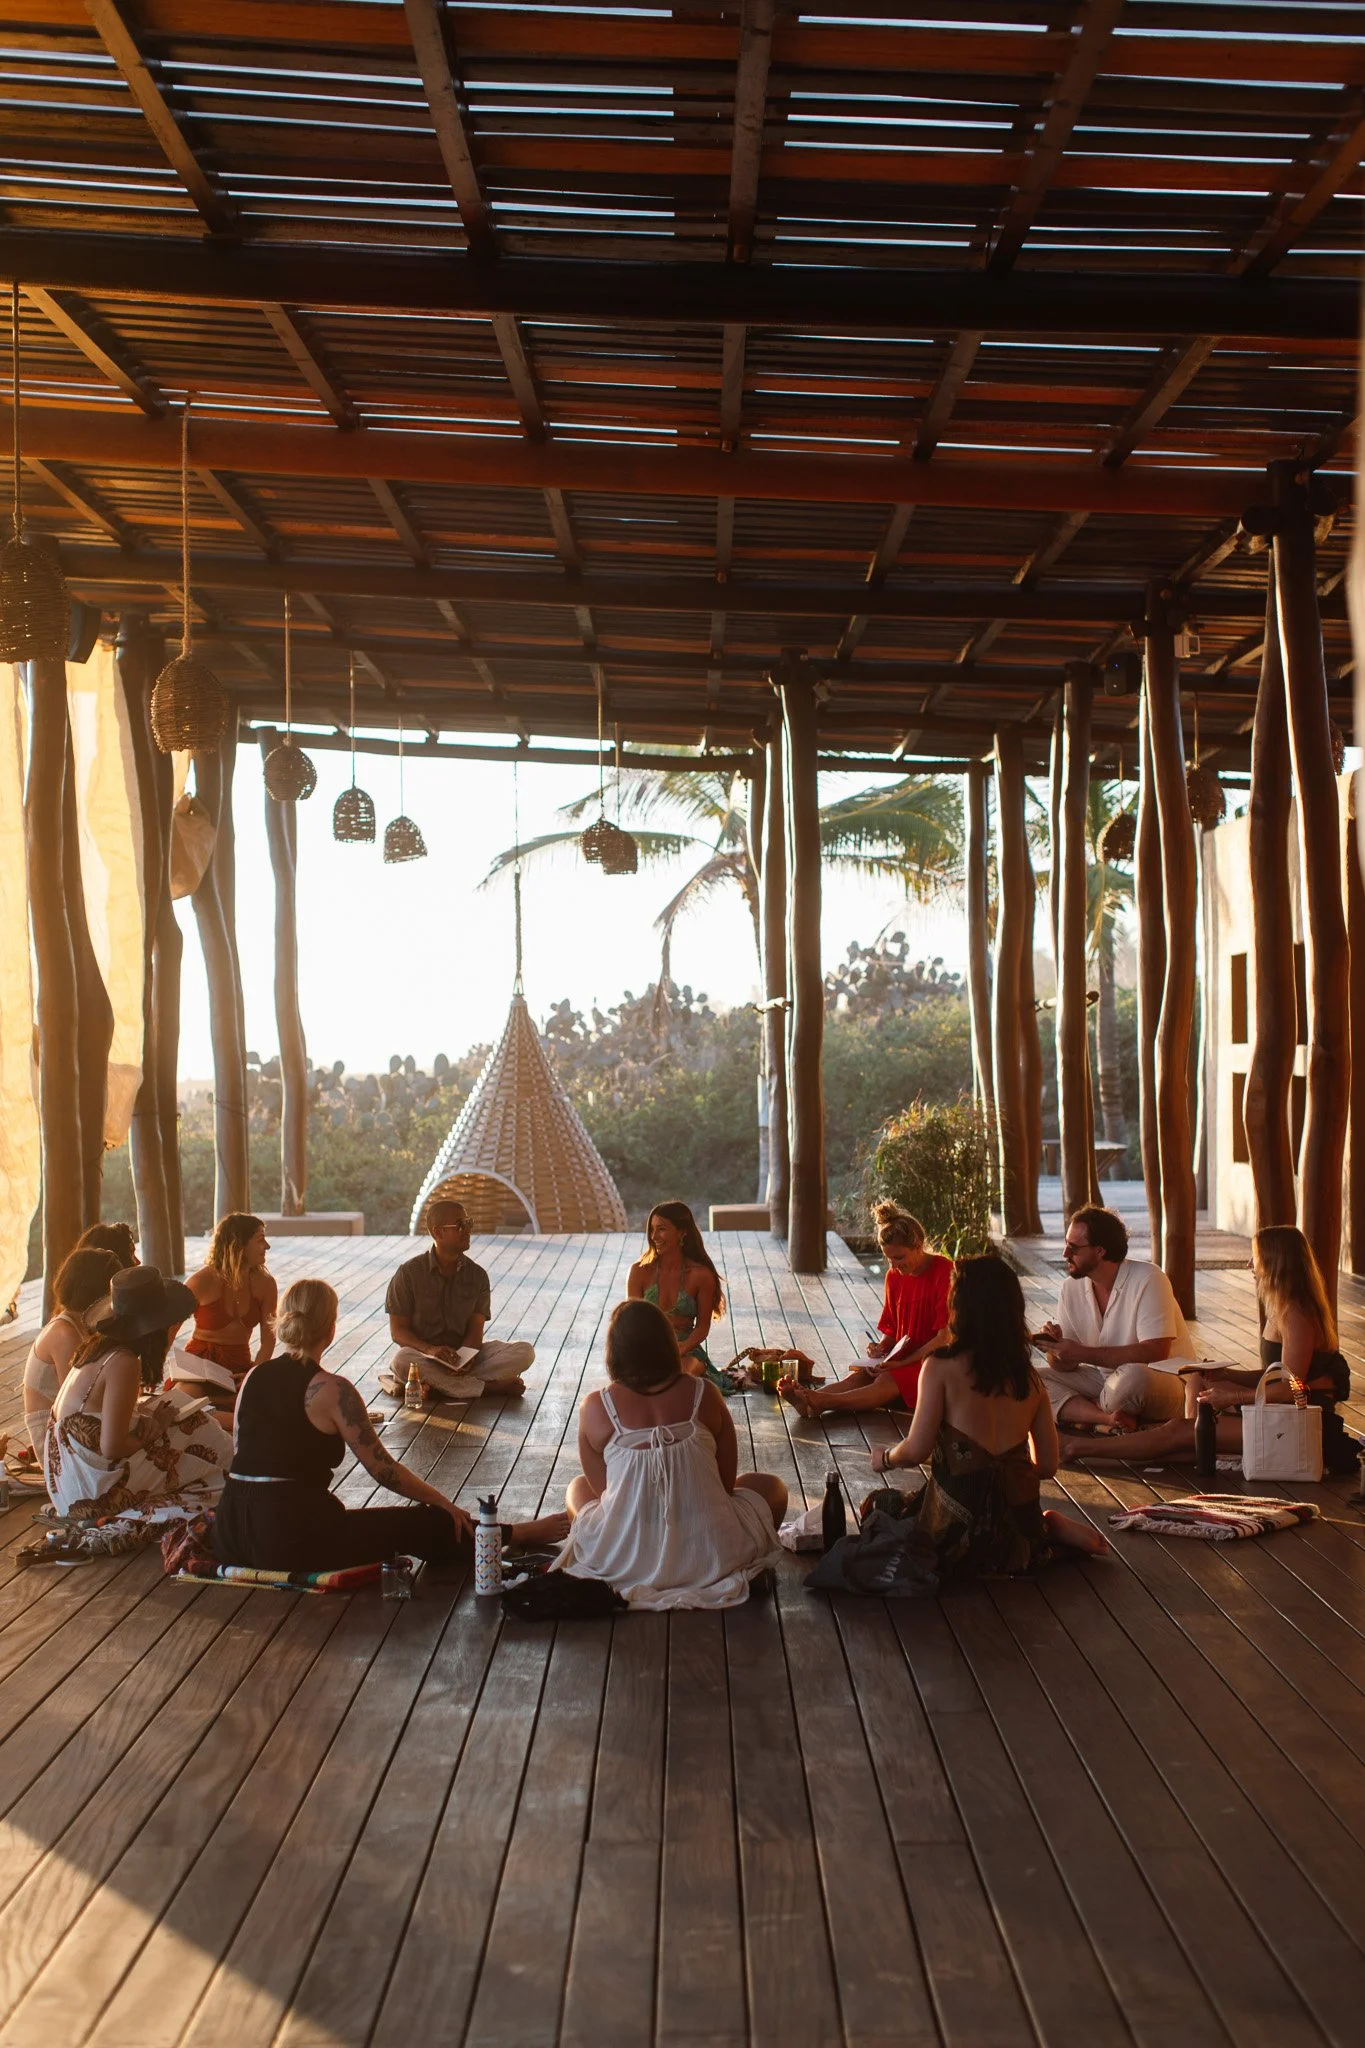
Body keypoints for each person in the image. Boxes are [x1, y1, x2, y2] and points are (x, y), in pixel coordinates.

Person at [214, 1278, 568, 1572]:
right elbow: (385, 1471)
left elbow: (240, 1450)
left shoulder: (254, 1376)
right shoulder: (332, 1389)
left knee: (373, 1522)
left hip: (230, 1533)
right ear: (331, 1327)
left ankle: (497, 1535)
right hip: (289, 1540)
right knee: (429, 1522)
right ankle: (512, 1534)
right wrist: (443, 1502)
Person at [867, 1255, 1108, 1572]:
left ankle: (1041, 1525)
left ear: (960, 1306)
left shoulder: (940, 1366)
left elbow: (915, 1450)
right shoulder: (1030, 1378)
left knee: (877, 1505)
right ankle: (1044, 1527)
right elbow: (1047, 1466)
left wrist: (885, 1458)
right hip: (1018, 1523)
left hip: (954, 1525)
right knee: (1012, 1516)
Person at [1066, 1225, 1357, 1471]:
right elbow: (1275, 1375)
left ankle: (1081, 1448)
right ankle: (1147, 1449)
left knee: (1179, 1432)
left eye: (1255, 1258)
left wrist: (1234, 1394)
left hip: (1298, 1424)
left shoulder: (1297, 1315)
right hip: (1278, 1415)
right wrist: (1224, 1374)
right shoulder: (1283, 1308)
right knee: (1188, 1417)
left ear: (1275, 1262)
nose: (1249, 1265)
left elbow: (1291, 1389)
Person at [557, 1298, 785, 1608]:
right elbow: (725, 1485)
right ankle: (720, 1564)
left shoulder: (596, 1406)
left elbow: (606, 1494)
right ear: (668, 1343)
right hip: (708, 1548)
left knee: (578, 1488)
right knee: (772, 1488)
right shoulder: (705, 1394)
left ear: (616, 1352)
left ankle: (631, 1561)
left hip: (627, 1553)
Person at [44, 1265, 233, 1520]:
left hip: (69, 1483)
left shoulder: (98, 1349)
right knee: (199, 1431)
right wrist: (158, 1425)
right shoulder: (123, 1361)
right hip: (91, 1491)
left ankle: (233, 1469)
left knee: (190, 1424)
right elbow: (111, 1447)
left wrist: (146, 1420)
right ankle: (237, 1476)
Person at [778, 1201, 951, 1419]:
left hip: (933, 1360)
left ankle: (822, 1401)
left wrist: (901, 1363)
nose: (894, 1266)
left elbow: (944, 1337)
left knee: (887, 1380)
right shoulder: (894, 1276)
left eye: (899, 1258)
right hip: (900, 1357)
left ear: (918, 1246)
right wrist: (880, 1349)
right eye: (889, 1259)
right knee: (860, 1377)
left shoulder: (944, 1271)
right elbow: (892, 1330)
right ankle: (809, 1400)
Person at [1032, 1205, 1190, 1433]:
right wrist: (1054, 1348)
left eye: (1073, 1247)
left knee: (1132, 1379)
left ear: (1100, 1251)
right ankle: (1106, 1418)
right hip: (1104, 1381)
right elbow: (1065, 1365)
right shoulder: (1071, 1288)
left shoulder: (1149, 1278)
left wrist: (1082, 1353)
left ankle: (1085, 1413)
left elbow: (1155, 1352)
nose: (1065, 1254)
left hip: (1160, 1380)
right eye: (1066, 1244)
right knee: (1029, 1379)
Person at [385, 1199, 535, 1400]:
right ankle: (487, 1388)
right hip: (425, 1357)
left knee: (524, 1351)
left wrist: (467, 1357)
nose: (468, 1230)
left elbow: (475, 1330)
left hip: (465, 1359)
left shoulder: (477, 1276)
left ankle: (440, 1386)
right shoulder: (408, 1274)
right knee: (402, 1360)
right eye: (460, 1225)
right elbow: (398, 1331)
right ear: (438, 1232)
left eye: (469, 1223)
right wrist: (431, 1350)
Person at [22, 1247, 125, 1459]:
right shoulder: (65, 1334)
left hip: (70, 1426)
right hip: (57, 1442)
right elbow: (79, 1403)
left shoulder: (78, 1324)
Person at [180, 1213, 277, 1409]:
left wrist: (253, 1373)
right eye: (260, 1240)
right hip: (199, 1363)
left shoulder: (265, 1284)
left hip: (238, 1367)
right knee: (186, 1402)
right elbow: (171, 1327)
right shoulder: (202, 1281)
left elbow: (268, 1340)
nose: (267, 1246)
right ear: (238, 1245)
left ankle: (219, 1420)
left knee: (261, 1405)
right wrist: (151, 1372)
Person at [626, 1201, 727, 1386]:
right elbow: (633, 1322)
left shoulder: (701, 1275)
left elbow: (702, 1327)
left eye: (662, 1229)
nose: (654, 1236)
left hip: (686, 1351)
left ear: (682, 1232)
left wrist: (681, 1348)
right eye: (652, 1229)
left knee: (676, 1380)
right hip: (648, 1350)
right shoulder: (639, 1271)